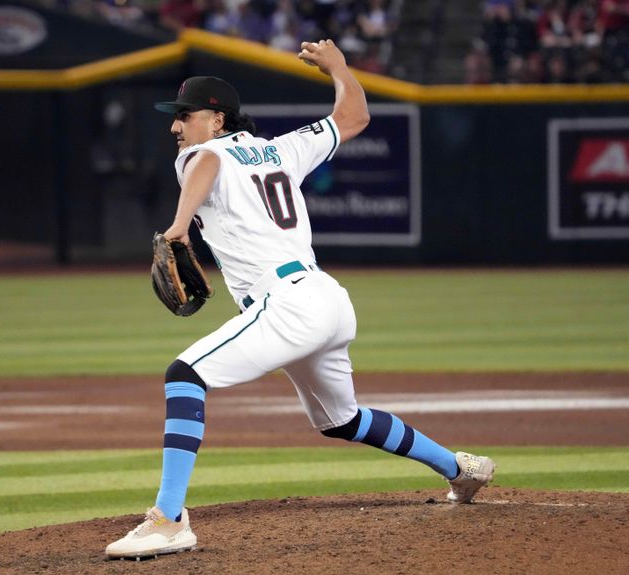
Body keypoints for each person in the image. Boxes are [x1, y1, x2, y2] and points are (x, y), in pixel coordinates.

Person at [105, 39, 496, 560]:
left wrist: (179, 227)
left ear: (217, 119)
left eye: (186, 115)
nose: (176, 126)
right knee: (342, 420)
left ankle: (169, 519)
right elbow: (353, 117)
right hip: (327, 300)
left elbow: (207, 167)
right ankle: (460, 468)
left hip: (285, 304)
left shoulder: (201, 153)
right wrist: (339, 67)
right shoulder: (283, 147)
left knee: (185, 375)